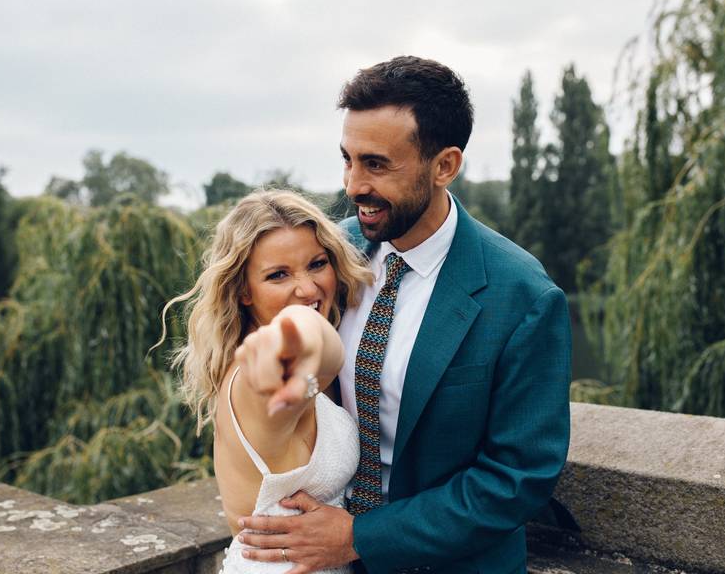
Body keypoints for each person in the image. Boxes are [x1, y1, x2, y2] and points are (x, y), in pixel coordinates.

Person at [237, 56, 572, 574]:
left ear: (445, 166)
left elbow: (517, 478)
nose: (352, 185)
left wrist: (359, 537)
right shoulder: (329, 256)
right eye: (347, 159)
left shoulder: (524, 297)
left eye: (376, 164)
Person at [159, 189, 373, 573]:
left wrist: (309, 365)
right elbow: (317, 347)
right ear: (243, 290)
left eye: (317, 264)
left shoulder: (302, 380)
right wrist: (305, 335)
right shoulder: (254, 383)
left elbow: (319, 368)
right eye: (278, 275)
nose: (307, 288)